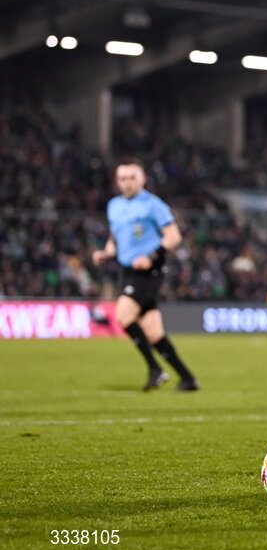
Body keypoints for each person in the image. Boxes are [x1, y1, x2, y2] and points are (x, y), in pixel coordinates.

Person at [91, 157, 199, 391]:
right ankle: (188, 379)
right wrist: (107, 252)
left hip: (149, 271)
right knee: (153, 332)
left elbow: (173, 236)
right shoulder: (114, 205)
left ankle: (155, 369)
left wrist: (150, 256)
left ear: (143, 179)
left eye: (132, 178)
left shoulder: (153, 204)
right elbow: (116, 237)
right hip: (127, 271)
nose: (127, 183)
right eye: (122, 178)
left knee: (123, 315)